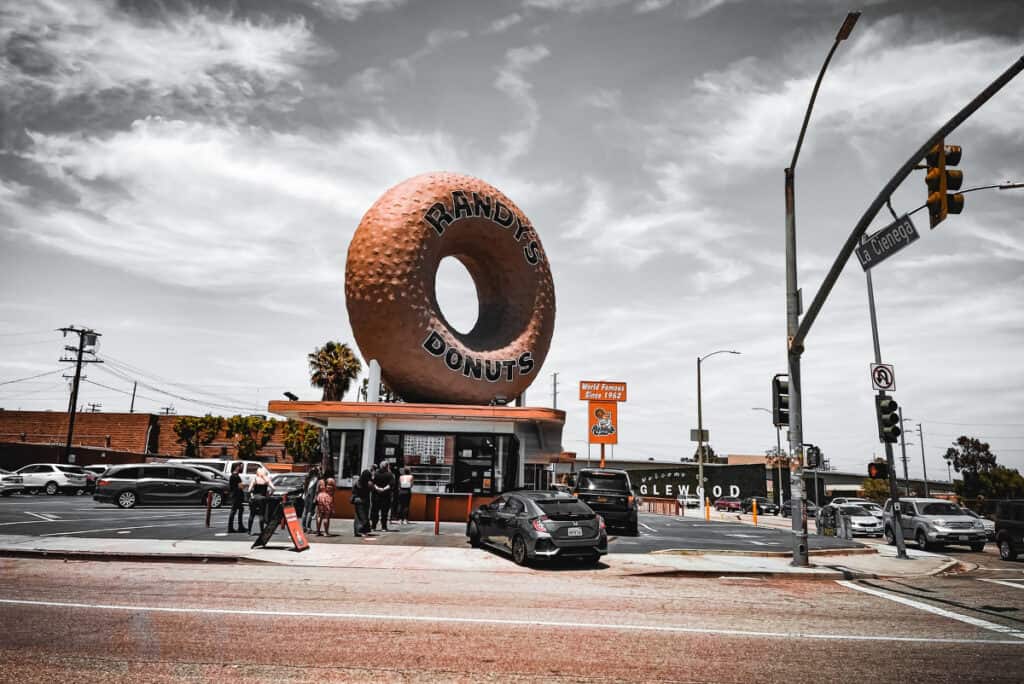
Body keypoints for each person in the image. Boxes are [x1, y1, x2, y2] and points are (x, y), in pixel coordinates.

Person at [247, 465, 275, 535]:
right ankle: (262, 531)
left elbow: (249, 490)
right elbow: (274, 488)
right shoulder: (266, 479)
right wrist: (270, 494)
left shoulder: (255, 479)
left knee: (252, 514)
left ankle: (249, 530)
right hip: (262, 498)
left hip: (254, 498)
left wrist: (252, 495)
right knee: (261, 514)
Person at [371, 462, 395, 531]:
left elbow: (372, 483)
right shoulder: (390, 474)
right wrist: (384, 489)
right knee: (384, 512)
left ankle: (373, 526)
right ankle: (383, 527)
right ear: (387, 466)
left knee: (375, 511)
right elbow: (391, 484)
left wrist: (378, 488)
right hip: (386, 496)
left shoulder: (375, 473)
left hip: (376, 495)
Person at [351, 469, 372, 537]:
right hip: (364, 500)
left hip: (358, 500)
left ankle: (359, 531)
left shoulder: (357, 482)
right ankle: (361, 531)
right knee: (363, 516)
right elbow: (371, 489)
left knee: (359, 516)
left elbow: (353, 490)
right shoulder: (367, 483)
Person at [227, 463, 245, 533]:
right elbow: (240, 486)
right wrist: (244, 486)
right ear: (236, 467)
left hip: (235, 495)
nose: (241, 468)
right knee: (234, 511)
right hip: (236, 495)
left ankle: (240, 526)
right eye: (240, 467)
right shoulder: (235, 476)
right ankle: (230, 528)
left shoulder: (233, 476)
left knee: (240, 509)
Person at [301, 466, 320, 532]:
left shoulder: (307, 479)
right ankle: (308, 527)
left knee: (305, 511)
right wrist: (315, 498)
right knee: (310, 512)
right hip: (312, 496)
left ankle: (303, 527)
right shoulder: (317, 479)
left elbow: (304, 487)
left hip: (306, 495)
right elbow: (317, 490)